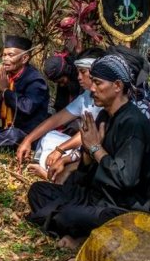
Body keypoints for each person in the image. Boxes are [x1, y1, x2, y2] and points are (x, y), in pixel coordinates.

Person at [26, 55, 150, 249]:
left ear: (117, 86)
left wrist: (96, 149)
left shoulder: (133, 123)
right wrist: (86, 154)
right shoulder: (104, 115)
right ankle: (79, 230)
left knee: (68, 215)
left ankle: (83, 235)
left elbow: (126, 179)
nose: (92, 88)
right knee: (38, 191)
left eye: (97, 83)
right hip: (95, 196)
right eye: (92, 82)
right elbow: (85, 176)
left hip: (120, 206)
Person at [16, 48, 106, 181]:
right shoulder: (86, 96)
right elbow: (56, 120)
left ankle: (54, 176)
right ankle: (53, 173)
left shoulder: (106, 98)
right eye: (78, 72)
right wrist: (28, 140)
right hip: (83, 147)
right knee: (49, 137)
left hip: (98, 151)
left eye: (83, 72)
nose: (79, 77)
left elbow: (88, 135)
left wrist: (60, 150)